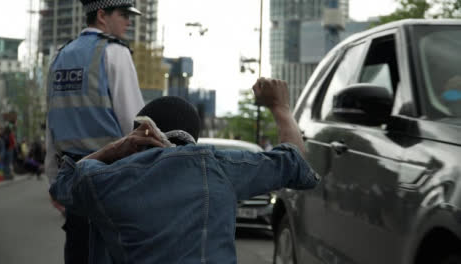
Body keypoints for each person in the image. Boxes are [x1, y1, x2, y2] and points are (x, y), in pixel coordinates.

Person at [50, 78, 321, 264]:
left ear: (138, 137)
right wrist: (280, 108)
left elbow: (63, 183)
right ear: (194, 139)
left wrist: (115, 149)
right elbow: (295, 162)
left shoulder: (105, 180)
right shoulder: (219, 168)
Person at [44, 0, 144, 263]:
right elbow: (134, 124)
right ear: (102, 15)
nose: (128, 22)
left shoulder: (60, 56)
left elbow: (51, 124)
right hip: (112, 179)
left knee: (78, 250)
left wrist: (54, 183)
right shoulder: (115, 52)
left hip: (74, 180)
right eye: (123, 15)